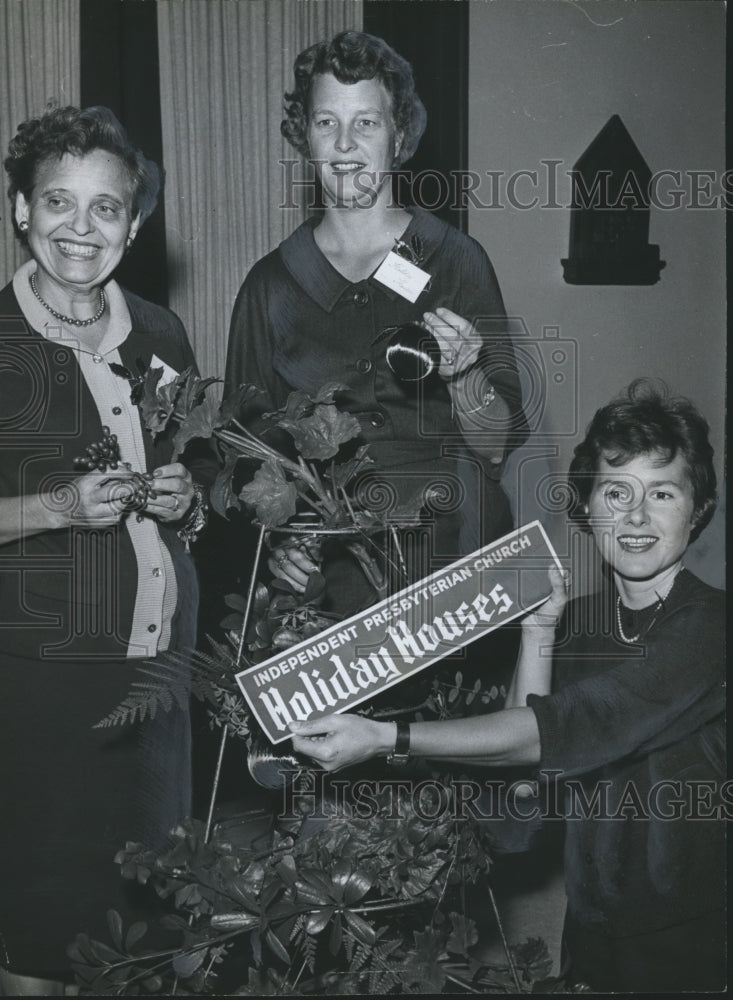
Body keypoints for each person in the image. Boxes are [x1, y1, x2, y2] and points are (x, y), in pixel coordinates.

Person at [290, 379, 726, 993]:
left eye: (662, 492)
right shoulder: (578, 631)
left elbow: (565, 728)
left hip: (699, 949)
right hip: (593, 944)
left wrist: (385, 736)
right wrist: (539, 632)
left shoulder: (713, 629)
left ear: (697, 508)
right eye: (616, 490)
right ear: (587, 505)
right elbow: (522, 809)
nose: (635, 516)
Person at [0, 106, 210, 994]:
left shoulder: (161, 334)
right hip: (40, 685)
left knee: (152, 938)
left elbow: (194, 483)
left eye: (106, 209)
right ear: (19, 210)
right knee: (44, 941)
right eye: (58, 202)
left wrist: (186, 497)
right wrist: (55, 507)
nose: (80, 230)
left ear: (135, 222)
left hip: (159, 675)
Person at [224, 30, 528, 617]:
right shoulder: (270, 286)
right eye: (325, 122)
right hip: (330, 580)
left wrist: (465, 376)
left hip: (455, 563)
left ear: (399, 135)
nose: (344, 144)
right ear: (303, 134)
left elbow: (496, 448)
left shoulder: (455, 260)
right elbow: (246, 456)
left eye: (366, 122)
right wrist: (279, 545)